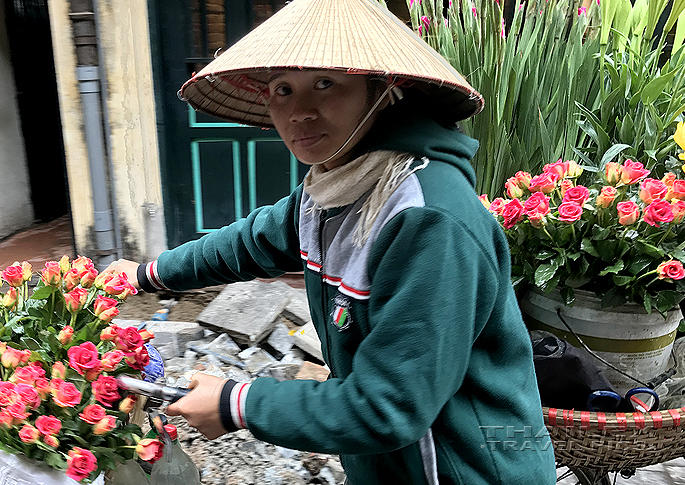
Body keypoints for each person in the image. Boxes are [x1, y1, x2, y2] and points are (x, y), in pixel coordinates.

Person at [104, 0, 556, 483]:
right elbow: (251, 241)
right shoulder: (335, 186)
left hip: (462, 465)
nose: (299, 112)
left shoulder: (427, 218)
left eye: (325, 83)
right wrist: (147, 274)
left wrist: (238, 403)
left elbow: (388, 406)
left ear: (382, 92)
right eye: (282, 89)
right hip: (389, 464)